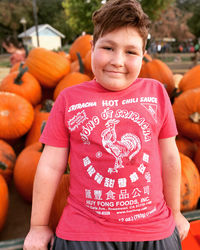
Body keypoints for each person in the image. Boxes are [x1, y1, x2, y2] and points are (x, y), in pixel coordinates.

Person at [23, 0, 190, 249]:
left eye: (131, 52)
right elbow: (50, 166)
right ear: (92, 47)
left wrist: (175, 211)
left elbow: (169, 158)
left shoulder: (155, 93)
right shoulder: (69, 98)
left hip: (154, 230)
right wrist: (38, 226)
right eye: (108, 48)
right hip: (84, 232)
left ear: (143, 54)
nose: (117, 61)